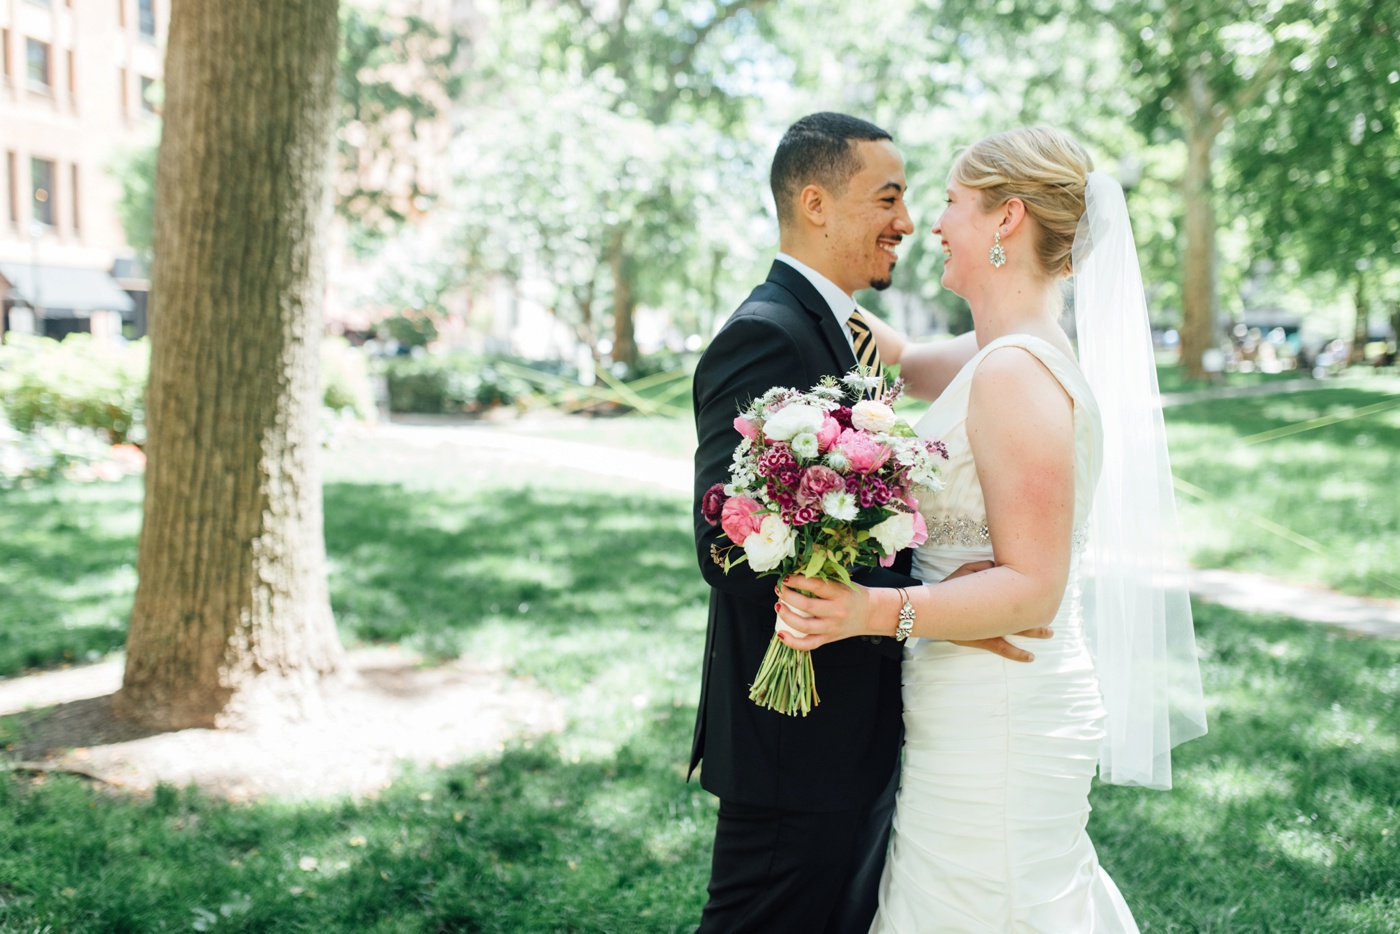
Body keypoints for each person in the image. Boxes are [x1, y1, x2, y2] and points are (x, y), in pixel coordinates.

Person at [775, 127, 1209, 931]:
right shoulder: (1001, 350)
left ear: (1007, 219)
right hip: (967, 699)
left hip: (1004, 713)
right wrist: (807, 269)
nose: (928, 225)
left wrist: (873, 613)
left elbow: (1034, 587)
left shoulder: (1015, 372)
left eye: (947, 203)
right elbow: (891, 352)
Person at [690, 113, 1053, 934]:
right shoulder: (766, 334)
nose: (906, 221)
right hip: (795, 739)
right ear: (816, 205)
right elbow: (725, 545)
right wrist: (922, 600)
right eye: (888, 198)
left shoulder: (842, 332)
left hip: (854, 731)